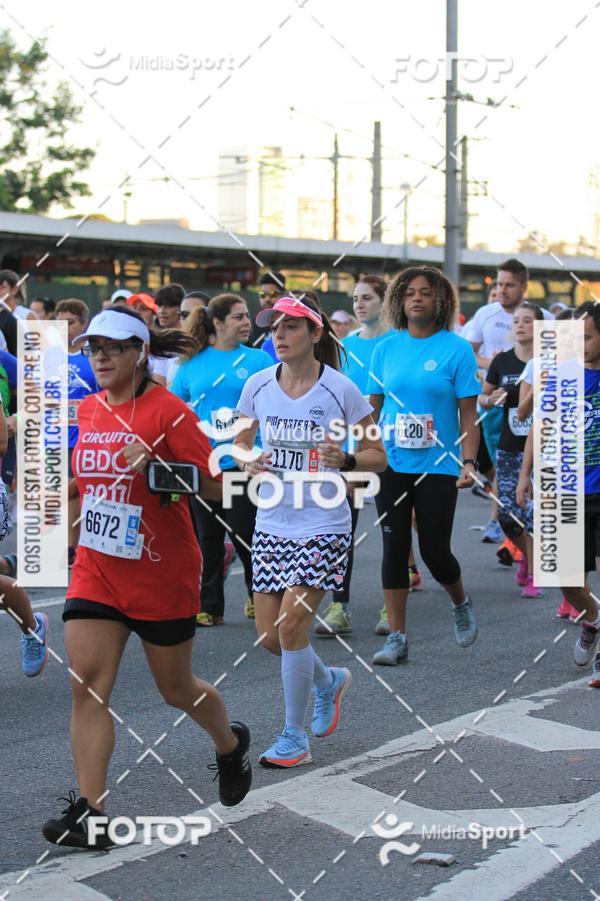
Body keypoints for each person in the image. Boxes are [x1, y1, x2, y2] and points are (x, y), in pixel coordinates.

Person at [41, 306, 251, 849]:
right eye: (93, 348)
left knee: (176, 689)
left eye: (113, 348)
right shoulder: (89, 409)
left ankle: (229, 745)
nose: (101, 357)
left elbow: (218, 485)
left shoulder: (170, 412)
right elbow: (87, 477)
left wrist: (158, 466)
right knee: (87, 685)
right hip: (97, 569)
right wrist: (59, 497)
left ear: (139, 354)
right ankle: (92, 815)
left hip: (162, 571)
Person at [234, 295, 386, 767]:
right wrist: (249, 460)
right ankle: (328, 680)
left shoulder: (341, 389)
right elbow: (239, 443)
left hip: (323, 523)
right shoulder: (257, 385)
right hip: (272, 522)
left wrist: (348, 459)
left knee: (292, 628)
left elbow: (378, 457)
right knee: (270, 637)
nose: (278, 336)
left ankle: (293, 737)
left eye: (290, 327)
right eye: (273, 328)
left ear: (315, 333)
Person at [367, 266, 480, 666]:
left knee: (434, 549)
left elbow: (469, 415)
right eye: (410, 292)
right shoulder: (384, 350)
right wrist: (360, 455)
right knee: (394, 545)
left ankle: (460, 601)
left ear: (440, 301)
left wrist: (469, 461)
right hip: (392, 461)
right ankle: (397, 637)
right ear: (399, 300)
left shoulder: (457, 350)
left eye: (426, 292)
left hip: (439, 463)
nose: (417, 298)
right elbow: (372, 410)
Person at [171, 294, 272, 626]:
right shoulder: (191, 363)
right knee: (208, 538)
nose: (246, 323)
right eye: (238, 317)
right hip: (206, 463)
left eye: (247, 316)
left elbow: (275, 402)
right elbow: (173, 407)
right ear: (217, 322)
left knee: (245, 532)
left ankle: (259, 595)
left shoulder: (259, 360)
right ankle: (209, 606)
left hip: (248, 460)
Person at [517, 301, 600, 686]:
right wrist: (525, 475)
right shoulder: (564, 374)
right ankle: (593, 618)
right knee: (567, 579)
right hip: (567, 489)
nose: (580, 344)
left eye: (588, 337)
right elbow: (540, 426)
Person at [315, 275, 397, 638]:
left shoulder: (397, 345)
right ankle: (339, 605)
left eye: (366, 298)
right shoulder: (344, 346)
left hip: (390, 449)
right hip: (350, 453)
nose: (358, 305)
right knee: (342, 529)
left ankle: (391, 604)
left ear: (385, 302)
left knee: (392, 531)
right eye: (355, 299)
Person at [468, 260, 551, 543]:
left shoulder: (546, 322)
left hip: (543, 432)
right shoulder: (485, 315)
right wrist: (494, 368)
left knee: (538, 508)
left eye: (509, 285)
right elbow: (470, 355)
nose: (502, 290)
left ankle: (531, 552)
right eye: (499, 284)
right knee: (504, 482)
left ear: (523, 287)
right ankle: (502, 523)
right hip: (500, 413)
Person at [479, 302, 544, 598]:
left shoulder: (549, 362)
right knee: (508, 517)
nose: (519, 325)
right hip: (508, 448)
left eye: (527, 320)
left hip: (542, 449)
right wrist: (491, 399)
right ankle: (529, 558)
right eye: (516, 320)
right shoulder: (502, 361)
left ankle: (533, 574)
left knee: (534, 516)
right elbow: (483, 399)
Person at [55, 300, 99, 565]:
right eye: (59, 322)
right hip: (54, 436)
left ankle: (74, 546)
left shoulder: (92, 356)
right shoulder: (49, 355)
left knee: (79, 493)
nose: (64, 327)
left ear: (83, 324)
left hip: (86, 436)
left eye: (70, 322)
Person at [249, 271, 286, 349]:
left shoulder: (293, 321)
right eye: (262, 295)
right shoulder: (252, 324)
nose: (267, 299)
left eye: (273, 294)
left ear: (284, 295)